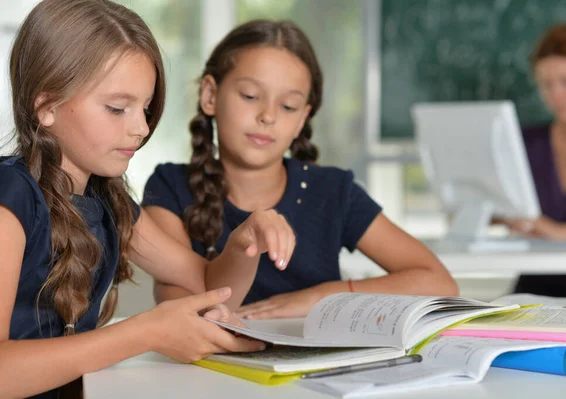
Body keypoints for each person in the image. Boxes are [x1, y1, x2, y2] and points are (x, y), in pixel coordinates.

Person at [0, 2, 296, 398]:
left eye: (144, 108)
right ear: (46, 105)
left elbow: (204, 284)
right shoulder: (11, 197)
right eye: (117, 108)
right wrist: (146, 332)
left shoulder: (110, 200)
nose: (140, 128)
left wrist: (245, 243)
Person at [142, 19, 458, 320]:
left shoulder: (333, 190)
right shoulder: (170, 186)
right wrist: (246, 244)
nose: (268, 115)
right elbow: (179, 310)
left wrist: (322, 297)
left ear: (301, 120)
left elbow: (439, 282)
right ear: (210, 95)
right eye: (251, 96)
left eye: (288, 106)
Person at [503, 23, 566, 297]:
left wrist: (556, 231)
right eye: (546, 84)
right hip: (534, 296)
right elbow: (496, 209)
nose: (556, 95)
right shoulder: (524, 143)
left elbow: (549, 229)